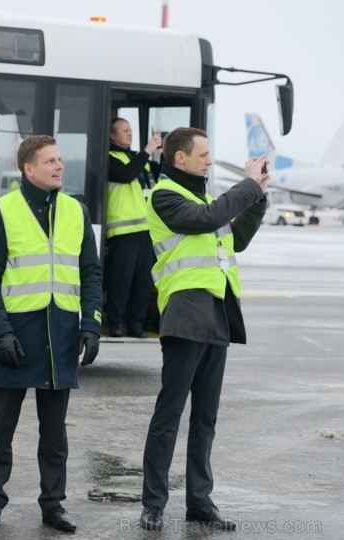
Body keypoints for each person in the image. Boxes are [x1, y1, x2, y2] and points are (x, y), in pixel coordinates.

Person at [139, 127, 268, 532]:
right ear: (180, 158)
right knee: (169, 415)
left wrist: (259, 194)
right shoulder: (164, 195)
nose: (209, 161)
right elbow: (206, 220)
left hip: (217, 316)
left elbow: (237, 237)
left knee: (205, 418)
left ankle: (199, 502)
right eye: (204, 154)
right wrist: (245, 185)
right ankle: (153, 504)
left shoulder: (204, 199)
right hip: (185, 314)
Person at [0, 135, 103, 533]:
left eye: (60, 160)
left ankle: (53, 504)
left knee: (54, 432)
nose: (59, 166)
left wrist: (92, 324)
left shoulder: (76, 211)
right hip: (17, 334)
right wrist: (0, 332)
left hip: (61, 332)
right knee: (0, 428)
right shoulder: (1, 211)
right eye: (50, 161)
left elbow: (90, 272)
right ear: (29, 169)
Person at [104, 118, 163, 338]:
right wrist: (147, 150)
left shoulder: (139, 159)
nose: (130, 134)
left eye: (131, 131)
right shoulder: (109, 157)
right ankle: (117, 322)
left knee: (143, 280)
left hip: (145, 229)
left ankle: (137, 324)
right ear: (112, 136)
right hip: (123, 230)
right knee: (121, 280)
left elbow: (158, 175)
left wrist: (161, 151)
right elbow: (126, 174)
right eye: (125, 131)